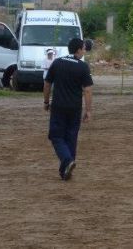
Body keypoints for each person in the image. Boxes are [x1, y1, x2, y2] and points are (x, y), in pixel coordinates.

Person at [43, 38, 93, 181]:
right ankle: (65, 170)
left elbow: (47, 84)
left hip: (58, 107)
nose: (85, 50)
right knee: (71, 137)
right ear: (78, 50)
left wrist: (46, 101)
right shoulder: (83, 67)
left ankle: (67, 160)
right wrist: (88, 110)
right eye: (84, 48)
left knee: (56, 136)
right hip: (74, 108)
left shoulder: (57, 62)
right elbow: (88, 90)